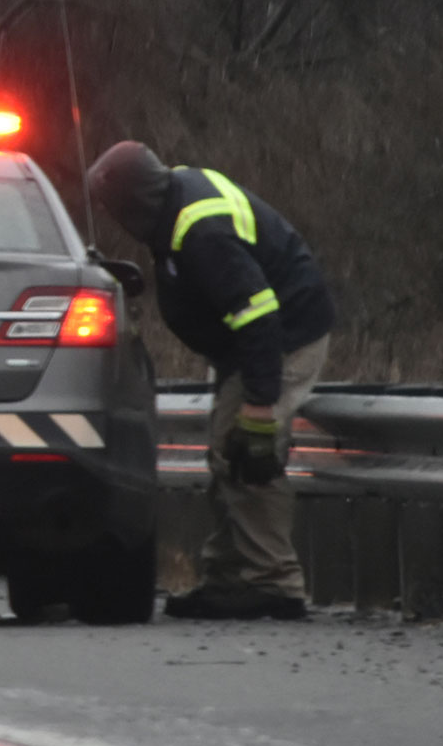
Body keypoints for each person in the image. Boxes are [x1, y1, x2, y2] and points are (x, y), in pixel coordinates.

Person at [87, 143, 335, 620]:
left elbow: (259, 314)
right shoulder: (175, 197)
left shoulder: (201, 232)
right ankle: (228, 578)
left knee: (247, 453)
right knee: (227, 453)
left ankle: (273, 584)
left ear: (133, 202)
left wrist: (261, 404)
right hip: (251, 344)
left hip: (282, 338)